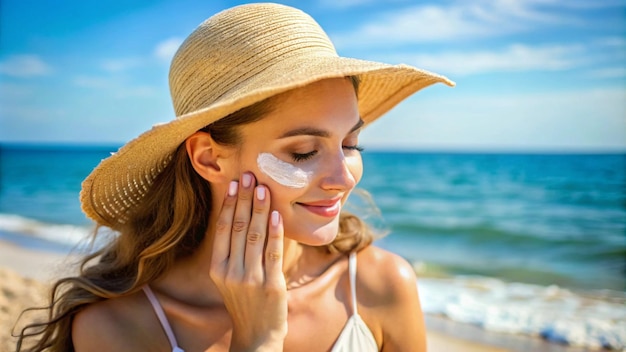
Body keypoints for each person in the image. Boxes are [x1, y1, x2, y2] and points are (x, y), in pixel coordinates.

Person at [16, 3, 453, 351]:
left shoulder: (381, 286)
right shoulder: (119, 328)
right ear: (208, 158)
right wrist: (258, 341)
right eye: (303, 152)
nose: (344, 178)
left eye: (351, 144)